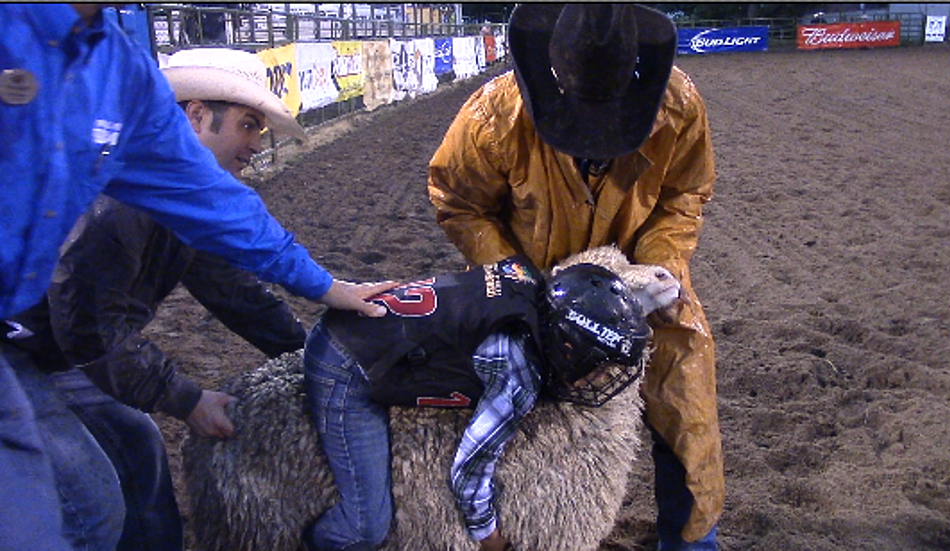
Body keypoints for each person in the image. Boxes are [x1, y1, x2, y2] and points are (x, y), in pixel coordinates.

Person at [0, 5, 395, 550]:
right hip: (35, 347)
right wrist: (185, 399)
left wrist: (316, 349)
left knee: (136, 447)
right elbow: (90, 329)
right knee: (88, 505)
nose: (257, 144)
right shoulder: (120, 211)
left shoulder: (115, 74)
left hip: (48, 347)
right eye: (248, 125)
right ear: (193, 118)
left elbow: (233, 288)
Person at [427, 4, 722, 550]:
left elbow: (684, 195)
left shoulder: (678, 107)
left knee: (682, 411)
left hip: (638, 292)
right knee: (526, 418)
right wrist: (521, 283)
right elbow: (459, 203)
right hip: (535, 297)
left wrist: (656, 267)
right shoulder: (495, 117)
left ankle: (689, 543)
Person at [303, 257, 652, 551]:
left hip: (362, 326)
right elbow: (468, 469)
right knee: (366, 525)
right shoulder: (518, 371)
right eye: (598, 365)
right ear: (569, 347)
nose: (603, 378)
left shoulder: (524, 280)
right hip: (345, 363)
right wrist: (489, 535)